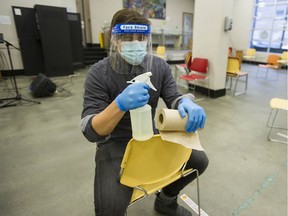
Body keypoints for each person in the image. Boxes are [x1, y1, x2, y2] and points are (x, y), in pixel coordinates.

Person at [80, 9, 209, 216]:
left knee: (199, 160)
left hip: (148, 136)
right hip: (114, 144)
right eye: (127, 38)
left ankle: (166, 202)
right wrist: (119, 104)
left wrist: (187, 102)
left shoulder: (158, 66)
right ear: (115, 41)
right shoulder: (99, 73)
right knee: (109, 210)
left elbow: (173, 96)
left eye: (141, 38)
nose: (135, 43)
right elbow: (91, 131)